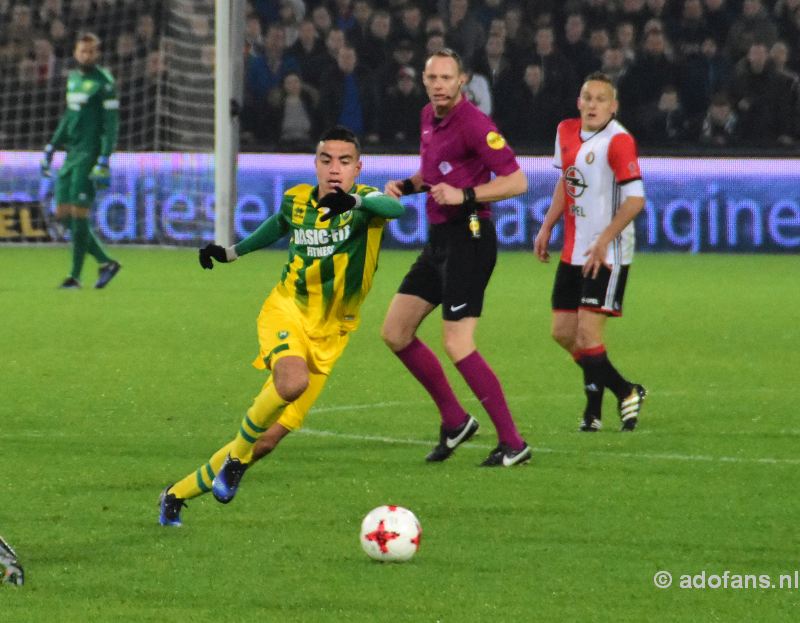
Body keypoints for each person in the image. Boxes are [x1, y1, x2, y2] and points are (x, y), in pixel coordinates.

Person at [158, 126, 404, 527]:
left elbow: (398, 210)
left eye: (345, 161)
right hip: (287, 309)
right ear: (316, 165)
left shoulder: (369, 204)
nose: (335, 169)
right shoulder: (298, 200)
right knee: (291, 383)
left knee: (268, 440)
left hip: (332, 334)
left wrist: (354, 201)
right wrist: (231, 253)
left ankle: (175, 494)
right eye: (326, 160)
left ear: (358, 167)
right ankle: (236, 460)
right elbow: (276, 224)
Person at [382, 48, 531, 468]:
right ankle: (455, 420)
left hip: (471, 238)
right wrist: (407, 186)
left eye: (447, 78)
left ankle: (513, 442)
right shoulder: (428, 117)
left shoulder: (475, 124)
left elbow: (517, 181)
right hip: (440, 240)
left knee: (457, 342)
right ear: (425, 81)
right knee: (396, 331)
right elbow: (433, 176)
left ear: (462, 80)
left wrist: (465, 194)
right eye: (433, 78)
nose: (439, 85)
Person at [533, 72, 647, 433]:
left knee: (587, 335)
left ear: (613, 107)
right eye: (588, 97)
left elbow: (635, 200)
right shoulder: (566, 130)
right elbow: (566, 182)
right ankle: (625, 390)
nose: (593, 104)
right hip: (574, 247)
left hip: (607, 252)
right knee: (563, 332)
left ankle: (594, 410)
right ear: (579, 102)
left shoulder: (619, 141)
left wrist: (603, 239)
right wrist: (548, 224)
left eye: (601, 99)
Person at [40, 32, 121, 289]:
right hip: (71, 154)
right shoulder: (73, 79)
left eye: (91, 51)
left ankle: (74, 277)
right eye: (82, 51)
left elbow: (111, 125)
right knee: (62, 215)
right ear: (76, 53)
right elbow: (68, 118)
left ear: (97, 53)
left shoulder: (104, 83)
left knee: (79, 214)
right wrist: (51, 146)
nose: (86, 55)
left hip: (90, 155)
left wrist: (104, 159)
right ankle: (106, 262)